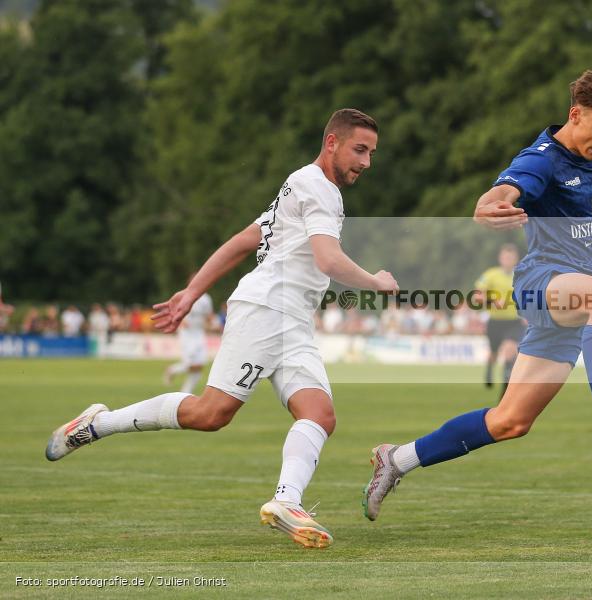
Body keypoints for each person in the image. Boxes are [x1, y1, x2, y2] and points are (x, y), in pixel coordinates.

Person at [45, 109, 398, 549]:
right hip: (267, 310)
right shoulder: (319, 189)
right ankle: (98, 424)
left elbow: (244, 240)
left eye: (371, 153)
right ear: (331, 143)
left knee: (319, 415)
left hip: (291, 320)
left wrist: (193, 291)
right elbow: (327, 260)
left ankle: (286, 502)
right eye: (359, 150)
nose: (366, 162)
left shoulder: (301, 183)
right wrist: (375, 281)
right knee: (210, 414)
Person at [363, 70, 592, 521]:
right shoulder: (543, 159)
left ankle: (396, 459)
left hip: (572, 306)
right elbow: (507, 188)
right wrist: (489, 202)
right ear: (575, 115)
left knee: (510, 421)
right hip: (538, 284)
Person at [474, 243, 525, 396]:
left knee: (510, 352)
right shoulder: (491, 274)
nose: (508, 260)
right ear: (500, 258)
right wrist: (492, 301)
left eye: (510, 257)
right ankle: (490, 368)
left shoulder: (522, 275)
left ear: (515, 259)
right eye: (505, 257)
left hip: (514, 322)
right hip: (495, 321)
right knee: (494, 353)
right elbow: (477, 297)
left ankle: (505, 390)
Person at [163, 276, 214, 393]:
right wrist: (180, 321)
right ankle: (173, 371)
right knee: (190, 364)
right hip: (187, 334)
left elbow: (208, 315)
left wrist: (212, 324)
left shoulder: (206, 299)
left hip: (199, 333)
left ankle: (184, 391)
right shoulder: (184, 295)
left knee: (199, 365)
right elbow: (176, 311)